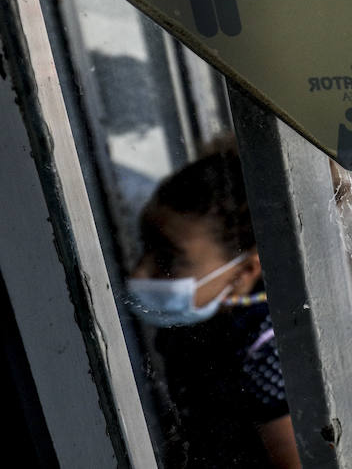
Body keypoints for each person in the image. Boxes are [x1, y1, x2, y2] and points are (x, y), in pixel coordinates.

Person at [126, 143, 293, 468]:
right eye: (145, 245)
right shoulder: (204, 318)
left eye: (168, 259)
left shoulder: (266, 354)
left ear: (244, 273)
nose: (139, 273)